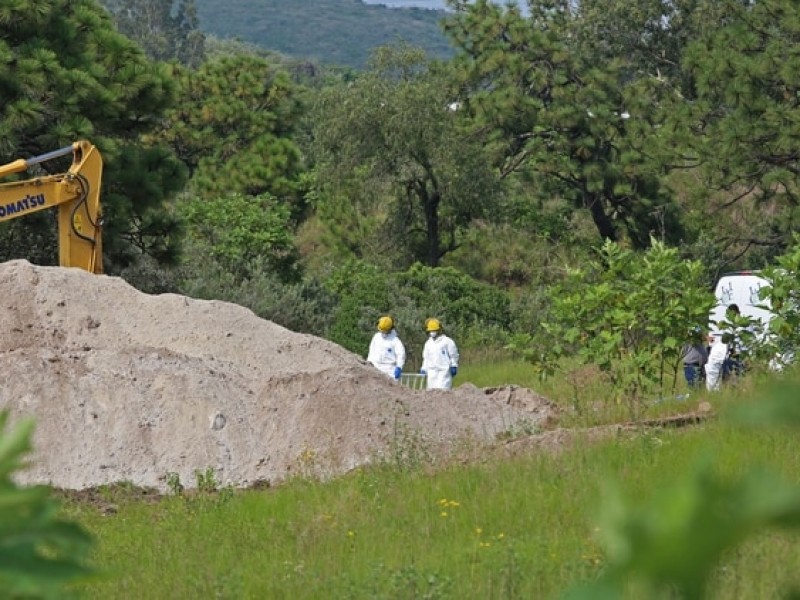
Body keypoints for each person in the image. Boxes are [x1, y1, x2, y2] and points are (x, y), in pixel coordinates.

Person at [420, 318, 459, 390]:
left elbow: (453, 355)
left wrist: (454, 365)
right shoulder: (428, 343)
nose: (432, 332)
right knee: (431, 394)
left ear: (439, 330)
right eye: (431, 331)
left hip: (444, 372)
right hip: (431, 372)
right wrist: (423, 368)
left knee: (443, 393)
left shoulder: (447, 341)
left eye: (434, 330)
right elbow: (426, 358)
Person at [366, 315, 406, 380]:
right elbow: (371, 351)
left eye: (384, 331)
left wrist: (399, 367)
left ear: (389, 329)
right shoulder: (376, 337)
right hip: (375, 367)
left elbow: (401, 354)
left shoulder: (395, 340)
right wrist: (368, 363)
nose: (382, 332)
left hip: (389, 370)